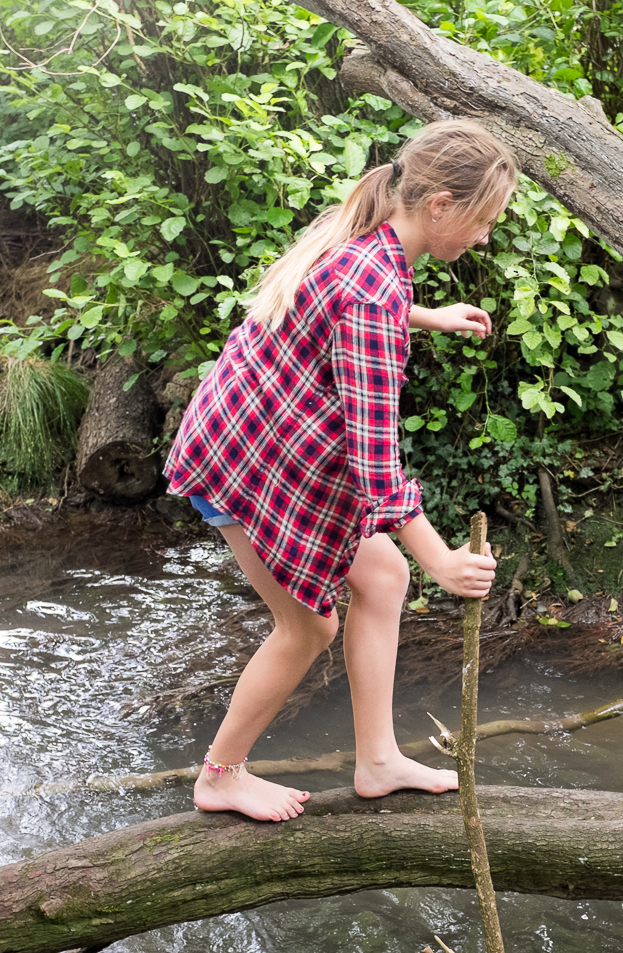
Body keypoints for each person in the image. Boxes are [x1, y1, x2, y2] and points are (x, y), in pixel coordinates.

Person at [163, 119, 519, 822]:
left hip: (262, 436)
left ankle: (378, 760)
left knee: (382, 578)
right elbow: (376, 462)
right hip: (243, 461)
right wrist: (442, 562)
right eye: (483, 222)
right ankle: (220, 776)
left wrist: (427, 316)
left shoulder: (374, 249)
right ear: (440, 206)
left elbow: (351, 303)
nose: (484, 238)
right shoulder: (371, 291)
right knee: (308, 628)